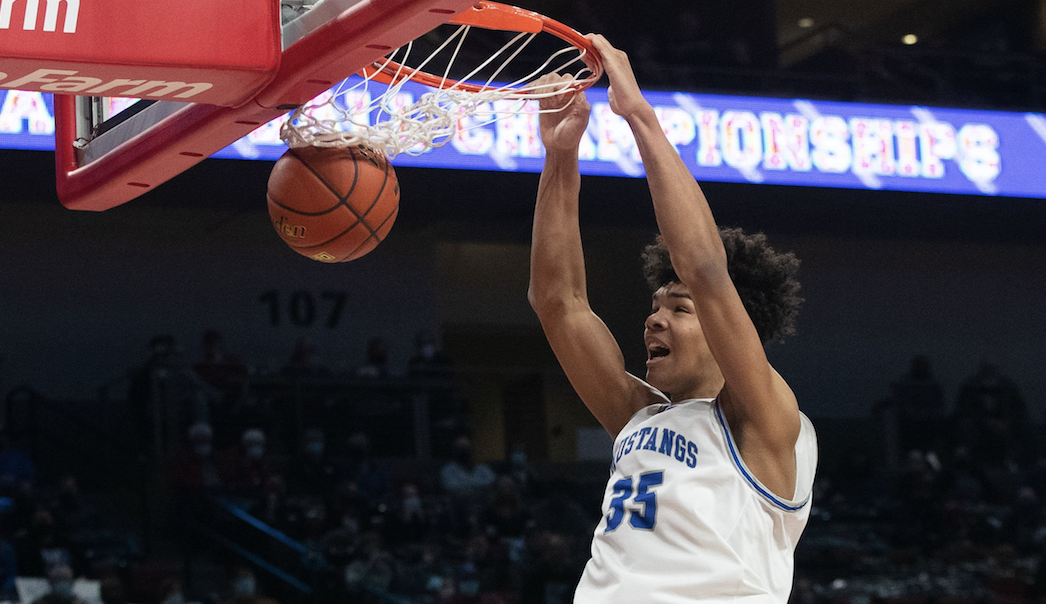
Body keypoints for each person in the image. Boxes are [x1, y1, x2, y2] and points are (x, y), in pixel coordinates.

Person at [528, 35, 818, 603]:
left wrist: (638, 116)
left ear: (732, 328)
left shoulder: (766, 419)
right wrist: (560, 155)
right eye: (655, 306)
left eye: (679, 309)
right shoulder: (637, 417)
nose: (654, 320)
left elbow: (706, 269)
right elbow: (556, 300)